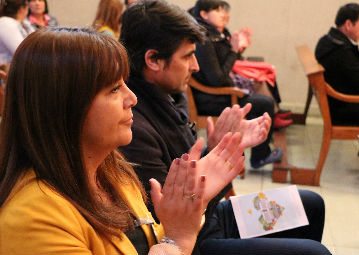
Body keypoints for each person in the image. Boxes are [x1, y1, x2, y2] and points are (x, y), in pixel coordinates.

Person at [0, 26, 249, 255]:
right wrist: (179, 238)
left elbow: (150, 242)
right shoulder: (35, 217)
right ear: (65, 107)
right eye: (114, 89)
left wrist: (193, 200)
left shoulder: (112, 172)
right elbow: (168, 242)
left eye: (124, 84)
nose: (132, 99)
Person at [119, 1, 331, 255]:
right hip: (191, 241)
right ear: (153, 59)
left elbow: (192, 181)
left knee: (310, 204)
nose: (195, 66)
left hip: (211, 218)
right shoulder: (133, 128)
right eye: (187, 56)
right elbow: (171, 219)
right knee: (314, 253)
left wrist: (218, 147)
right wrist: (220, 155)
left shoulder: (169, 95)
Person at [191, 0, 292, 131]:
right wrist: (234, 50)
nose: (223, 14)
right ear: (204, 14)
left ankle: (274, 117)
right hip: (213, 98)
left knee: (261, 79)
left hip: (223, 90)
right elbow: (218, 79)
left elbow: (226, 63)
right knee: (265, 102)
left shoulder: (215, 33)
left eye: (223, 10)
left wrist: (238, 48)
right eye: (217, 10)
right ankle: (263, 147)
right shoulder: (204, 39)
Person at [315, 3, 359, 163]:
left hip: (338, 104)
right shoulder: (340, 51)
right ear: (348, 24)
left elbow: (357, 71)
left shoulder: (330, 41)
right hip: (344, 110)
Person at [0, 0, 34, 66]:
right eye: (27, 5)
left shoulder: (25, 23)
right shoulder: (6, 23)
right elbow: (21, 52)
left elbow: (38, 42)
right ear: (22, 8)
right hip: (8, 69)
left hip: (23, 67)